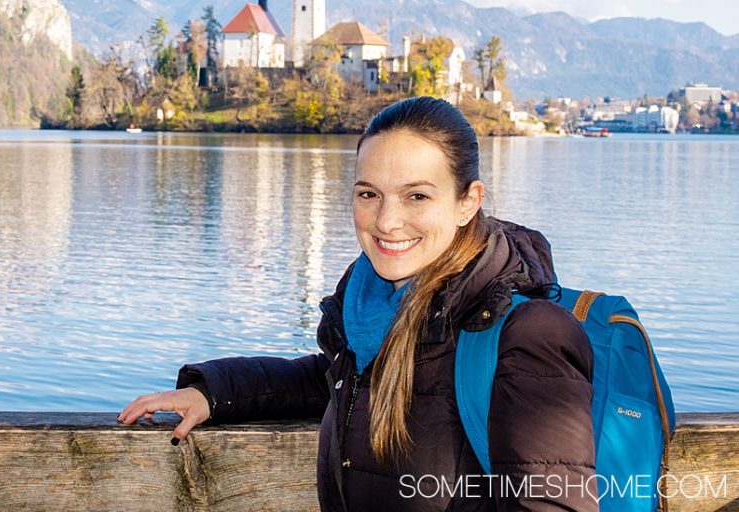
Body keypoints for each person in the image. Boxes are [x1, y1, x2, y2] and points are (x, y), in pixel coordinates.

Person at [119, 96, 596, 511]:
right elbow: (336, 379)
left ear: (467, 202)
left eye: (416, 196)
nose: (387, 221)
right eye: (369, 194)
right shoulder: (371, 315)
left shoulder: (527, 337)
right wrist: (213, 392)